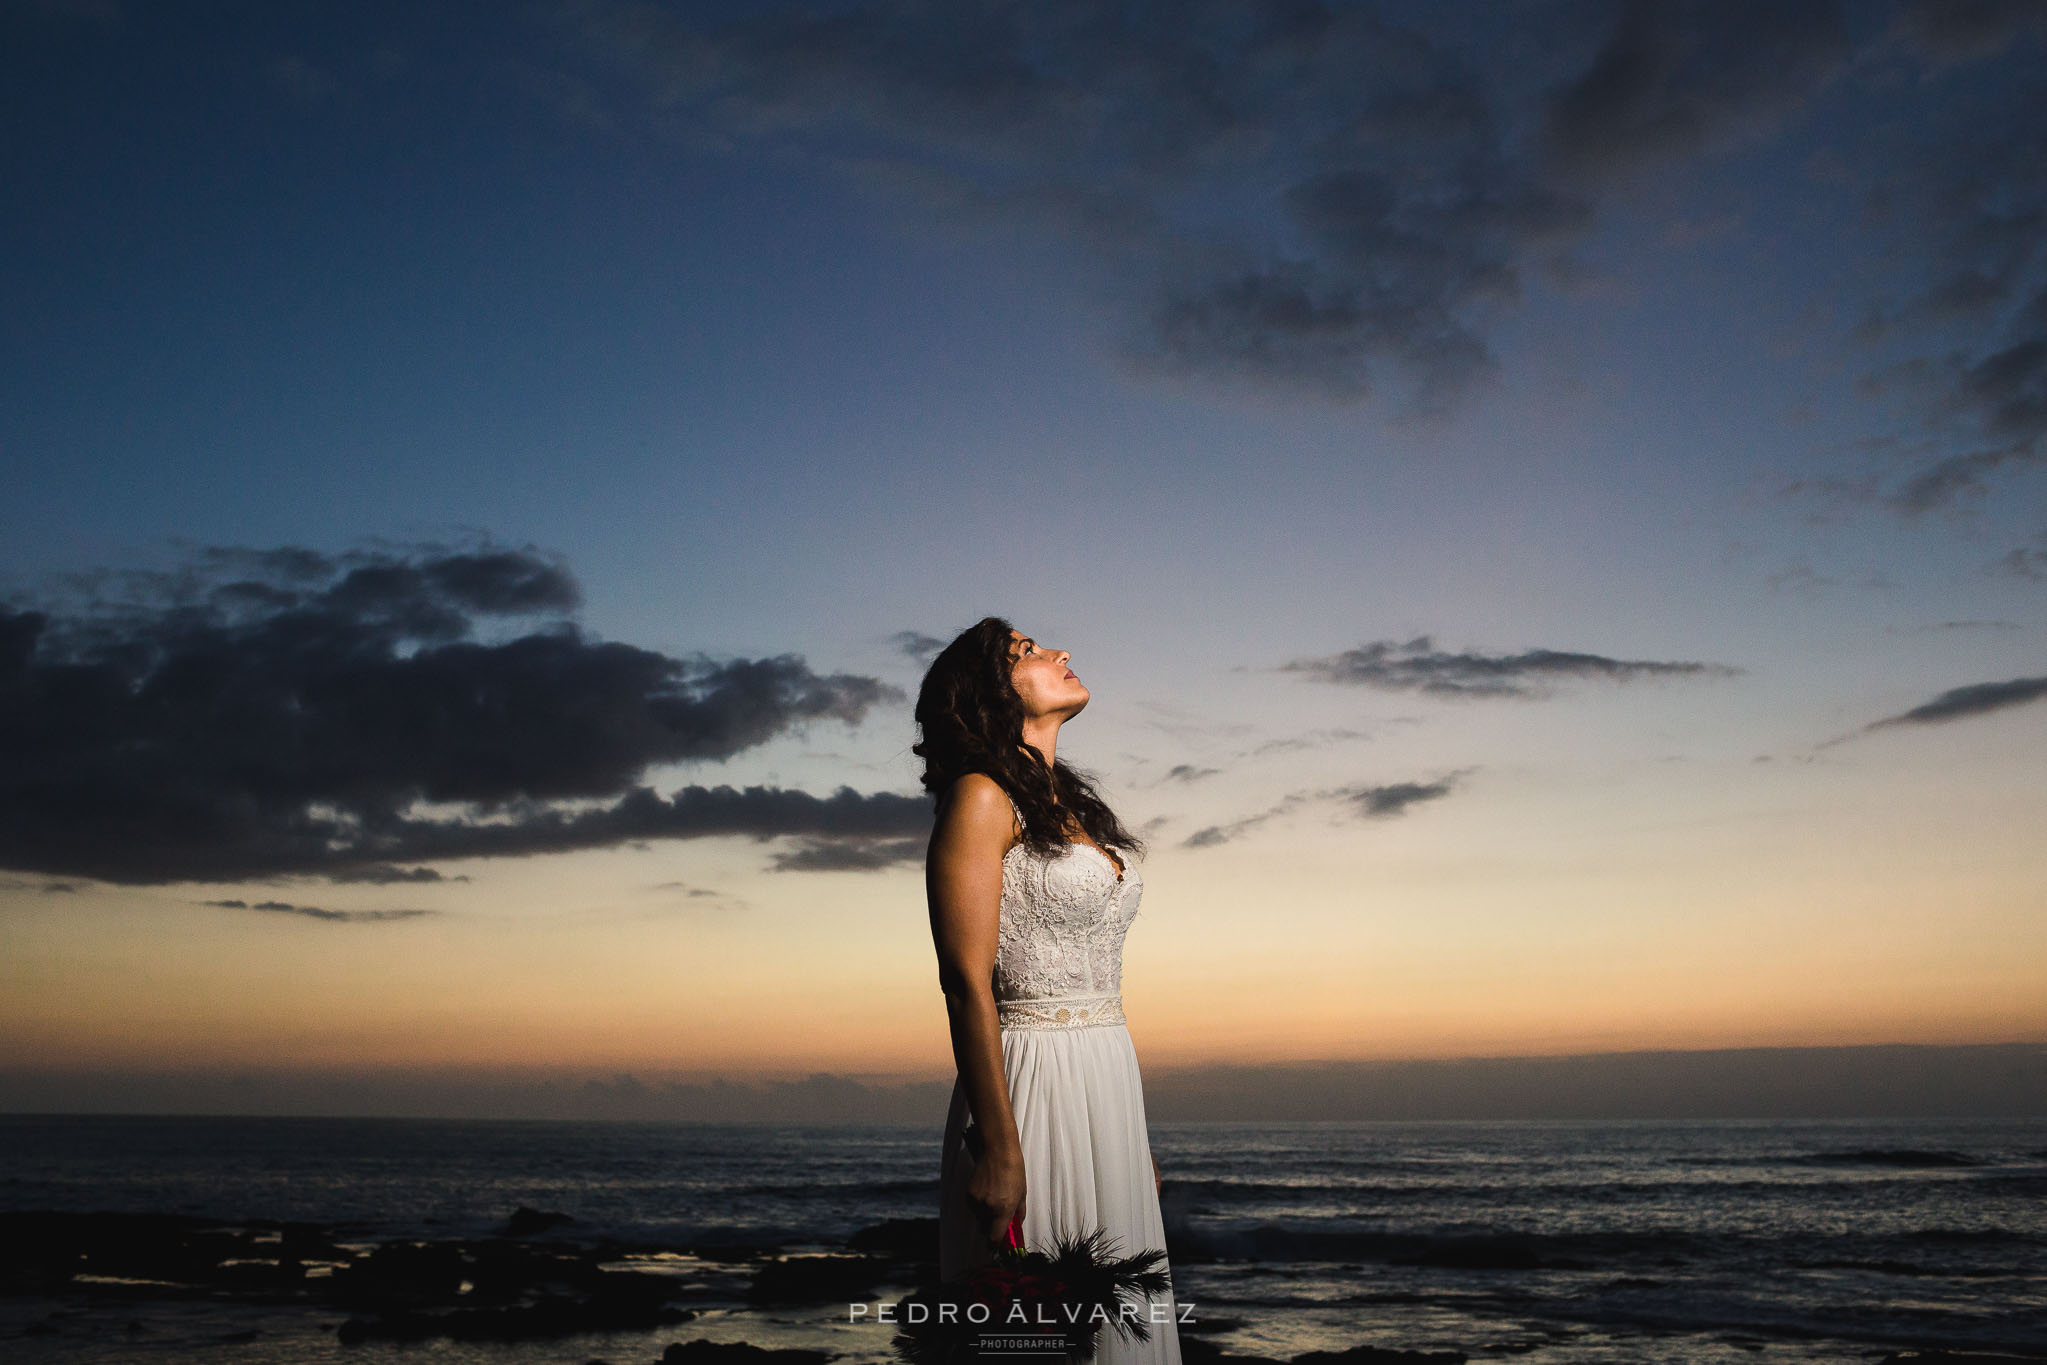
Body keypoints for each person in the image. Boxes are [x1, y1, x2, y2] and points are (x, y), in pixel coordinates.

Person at [917, 617, 1182, 1365]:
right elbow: (964, 979)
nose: (1059, 651)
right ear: (991, 694)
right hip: (1031, 1078)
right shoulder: (979, 796)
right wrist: (998, 1146)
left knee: (1118, 1326)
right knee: (1039, 1331)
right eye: (1027, 652)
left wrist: (1133, 1140)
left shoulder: (1066, 801)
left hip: (1106, 1076)